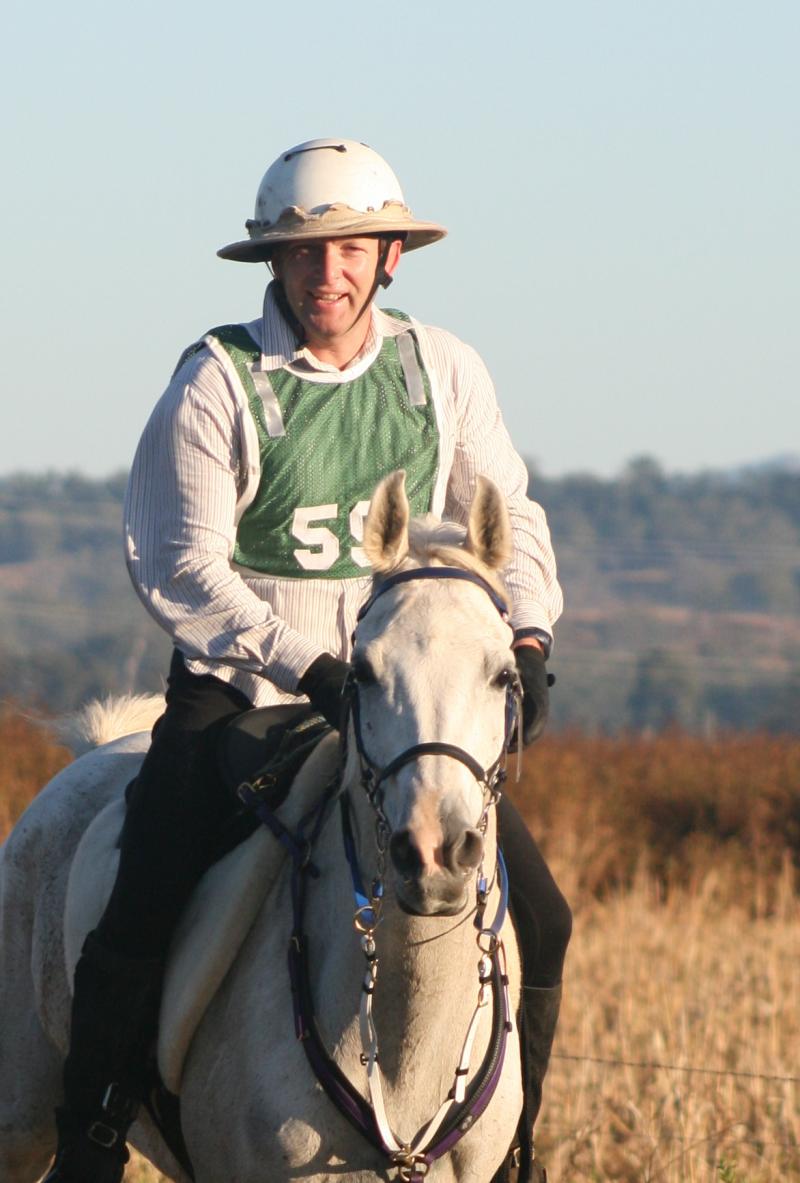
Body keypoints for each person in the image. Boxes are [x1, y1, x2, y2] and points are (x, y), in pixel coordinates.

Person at [45, 138, 571, 1183]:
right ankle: (95, 1135)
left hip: (397, 712)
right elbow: (180, 561)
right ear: (271, 265)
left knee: (541, 917)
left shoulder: (441, 370)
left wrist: (527, 631)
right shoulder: (216, 381)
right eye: (300, 253)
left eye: (347, 250)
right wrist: (306, 664)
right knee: (139, 895)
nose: (324, 272)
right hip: (240, 702)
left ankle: (515, 1152)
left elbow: (506, 514)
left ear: (389, 257)